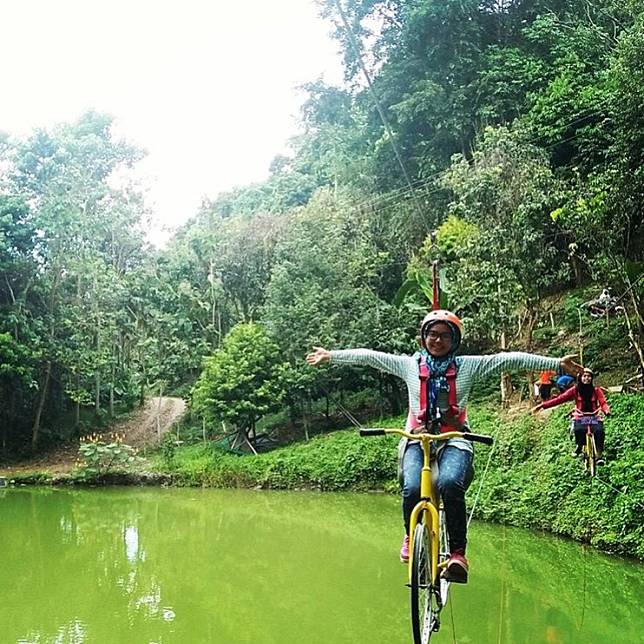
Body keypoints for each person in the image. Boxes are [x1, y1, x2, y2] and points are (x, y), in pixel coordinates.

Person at [306, 310, 580, 583]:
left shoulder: (467, 366)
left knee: (450, 483)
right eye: (432, 335)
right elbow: (370, 356)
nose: (437, 341)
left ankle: (458, 554)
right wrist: (331, 356)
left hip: (454, 438)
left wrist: (557, 364)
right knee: (412, 487)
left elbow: (508, 360)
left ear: (455, 340)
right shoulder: (409, 366)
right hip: (417, 438)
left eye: (445, 336)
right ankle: (410, 534)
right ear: (423, 337)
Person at [534, 367, 610, 465]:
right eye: (584, 376)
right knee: (578, 430)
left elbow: (603, 402)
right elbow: (560, 399)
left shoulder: (596, 390)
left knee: (599, 431)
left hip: (593, 416)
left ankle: (599, 455)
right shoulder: (575, 390)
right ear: (580, 378)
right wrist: (543, 405)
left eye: (589, 376)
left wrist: (606, 410)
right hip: (580, 416)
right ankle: (579, 446)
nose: (587, 378)